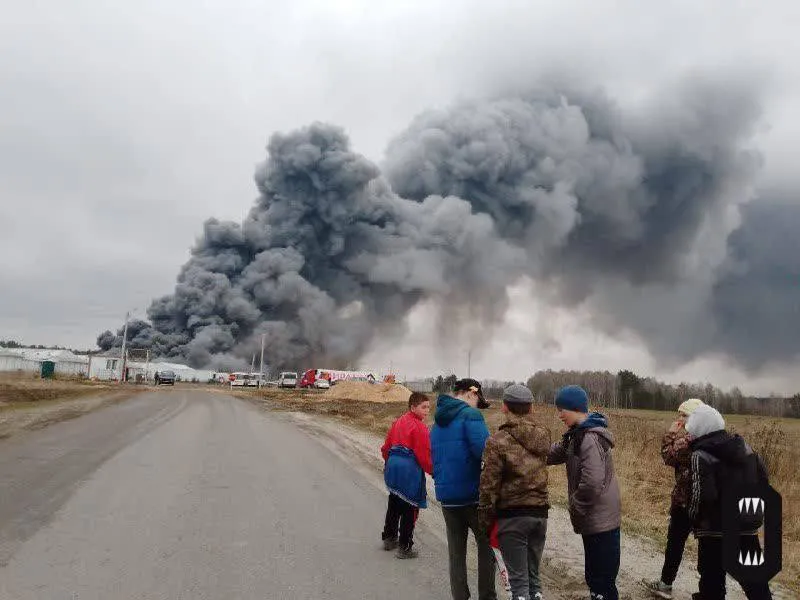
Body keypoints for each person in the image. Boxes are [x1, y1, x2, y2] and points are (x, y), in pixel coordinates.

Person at [685, 404, 773, 600]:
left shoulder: (700, 456)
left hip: (714, 531)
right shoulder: (747, 448)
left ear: (700, 429)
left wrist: (694, 521)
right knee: (756, 583)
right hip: (747, 528)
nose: (689, 434)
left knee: (712, 583)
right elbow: (763, 482)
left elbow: (701, 497)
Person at [547, 385, 621, 600]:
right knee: (595, 577)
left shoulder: (589, 437)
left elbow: (592, 482)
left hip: (601, 520)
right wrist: (527, 453)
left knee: (602, 581)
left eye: (562, 410)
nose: (560, 415)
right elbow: (555, 452)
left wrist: (576, 505)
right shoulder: (576, 435)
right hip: (595, 518)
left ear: (575, 408)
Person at [479, 384, 551, 600]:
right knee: (533, 579)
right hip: (540, 514)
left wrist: (485, 520)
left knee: (518, 582)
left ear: (504, 407)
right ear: (531, 408)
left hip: (512, 516)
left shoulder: (497, 441)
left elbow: (489, 485)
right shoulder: (543, 436)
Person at [431, 378, 497, 600]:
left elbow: (435, 457)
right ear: (471, 393)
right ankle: (487, 596)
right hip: (473, 495)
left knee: (456, 552)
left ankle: (459, 596)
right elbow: (486, 453)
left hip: (447, 496)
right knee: (486, 547)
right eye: (478, 400)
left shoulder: (438, 420)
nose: (478, 406)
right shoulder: (471, 415)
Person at [643, 398, 705, 599]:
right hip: (706, 503)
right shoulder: (710, 440)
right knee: (707, 549)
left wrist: (670, 433)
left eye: (684, 415)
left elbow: (667, 456)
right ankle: (708, 591)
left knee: (675, 544)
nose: (680, 418)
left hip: (683, 502)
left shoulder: (686, 442)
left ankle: (665, 584)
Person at [381, 391, 433, 559]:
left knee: (394, 503)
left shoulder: (398, 422)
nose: (427, 411)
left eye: (428, 407)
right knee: (410, 508)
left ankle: (389, 538)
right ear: (412, 407)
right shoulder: (420, 427)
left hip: (393, 466)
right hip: (408, 471)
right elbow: (424, 455)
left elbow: (386, 447)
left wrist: (388, 462)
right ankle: (405, 547)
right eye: (423, 407)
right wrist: (434, 471)